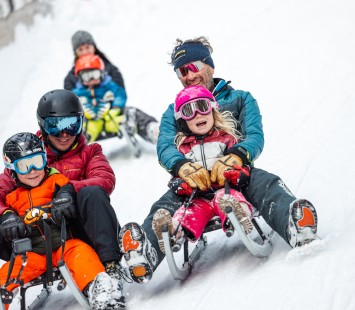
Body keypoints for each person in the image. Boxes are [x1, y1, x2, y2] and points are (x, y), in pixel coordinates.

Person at [119, 36, 318, 284]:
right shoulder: (175, 111)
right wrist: (182, 166)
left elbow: (255, 135)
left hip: (234, 175)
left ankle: (293, 222)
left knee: (265, 183)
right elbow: (165, 146)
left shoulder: (241, 99)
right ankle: (145, 253)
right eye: (182, 71)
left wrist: (236, 156)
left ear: (209, 66)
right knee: (164, 206)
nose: (188, 75)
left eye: (193, 67)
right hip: (193, 182)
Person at [0, 90, 130, 294]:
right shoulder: (28, 157)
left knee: (93, 193)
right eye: (55, 127)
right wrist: (5, 215)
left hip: (74, 230)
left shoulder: (90, 152)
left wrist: (67, 190)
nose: (64, 134)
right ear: (43, 126)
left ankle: (110, 265)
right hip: (32, 238)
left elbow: (105, 179)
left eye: (71, 125)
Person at [152, 85, 254, 252]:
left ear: (213, 111)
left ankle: (240, 216)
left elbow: (241, 165)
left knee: (229, 200)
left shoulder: (227, 139)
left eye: (202, 107)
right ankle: (170, 231)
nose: (197, 114)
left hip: (225, 190)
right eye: (188, 111)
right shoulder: (183, 149)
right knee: (186, 213)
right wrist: (180, 185)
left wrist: (236, 174)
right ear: (183, 122)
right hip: (198, 198)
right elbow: (178, 178)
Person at [64, 30, 159, 144]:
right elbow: (69, 105)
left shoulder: (110, 70)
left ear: (94, 47)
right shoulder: (70, 78)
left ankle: (154, 131)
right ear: (75, 52)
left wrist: (115, 107)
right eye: (80, 49)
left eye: (87, 47)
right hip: (87, 120)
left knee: (132, 113)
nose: (85, 52)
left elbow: (120, 92)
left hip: (112, 113)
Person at [72, 54, 127, 142]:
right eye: (86, 76)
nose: (91, 79)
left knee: (130, 114)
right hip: (90, 124)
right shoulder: (77, 92)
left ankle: (149, 129)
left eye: (95, 74)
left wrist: (116, 107)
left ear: (102, 73)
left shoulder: (109, 85)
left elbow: (120, 95)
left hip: (110, 118)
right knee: (77, 131)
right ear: (80, 78)